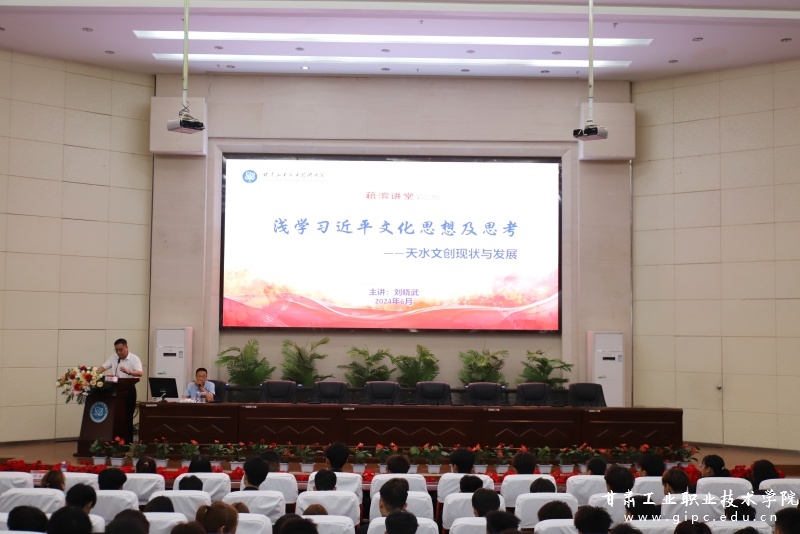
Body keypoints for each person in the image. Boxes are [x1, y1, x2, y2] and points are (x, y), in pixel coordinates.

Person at [97, 338, 143, 441]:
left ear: (127, 347)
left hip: (129, 390)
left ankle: (128, 442)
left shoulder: (134, 358)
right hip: (115, 390)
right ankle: (115, 441)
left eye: (121, 349)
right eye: (116, 350)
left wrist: (129, 372)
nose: (118, 352)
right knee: (115, 417)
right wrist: (93, 375)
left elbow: (140, 373)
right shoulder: (114, 357)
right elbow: (103, 367)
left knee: (127, 417)